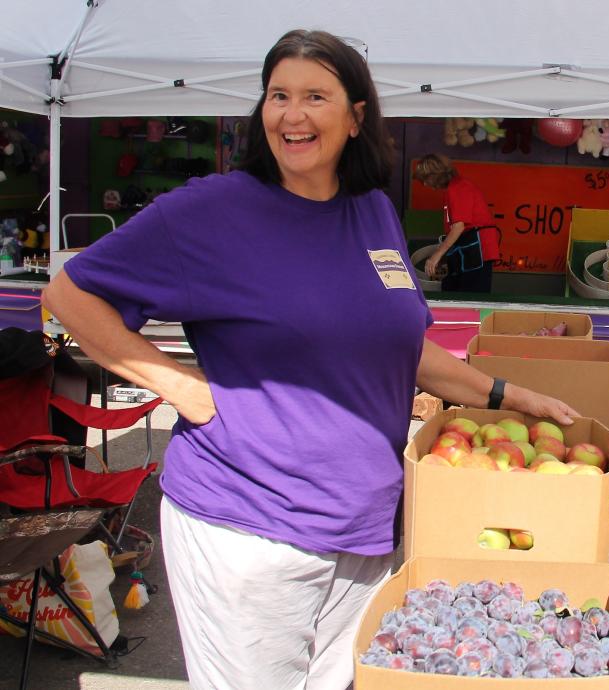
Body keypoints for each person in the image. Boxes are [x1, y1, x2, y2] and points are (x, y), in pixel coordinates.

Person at [41, 30, 577, 690]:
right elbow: (70, 293)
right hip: (251, 524)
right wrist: (185, 388)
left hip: (366, 529)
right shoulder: (213, 212)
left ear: (355, 117)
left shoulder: (372, 213)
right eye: (278, 96)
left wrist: (507, 396)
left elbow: (398, 346)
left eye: (315, 96)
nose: (292, 115)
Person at [413, 153, 500, 293]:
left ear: (435, 175)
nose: (424, 184)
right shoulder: (452, 190)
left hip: (477, 251)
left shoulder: (459, 188)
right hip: (466, 250)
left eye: (425, 179)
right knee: (450, 288)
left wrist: (437, 255)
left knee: (471, 297)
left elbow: (459, 227)